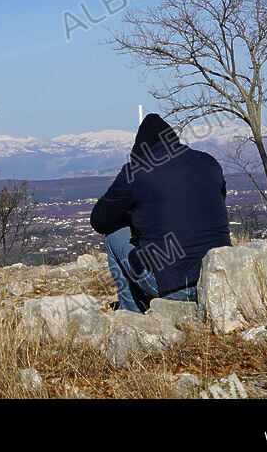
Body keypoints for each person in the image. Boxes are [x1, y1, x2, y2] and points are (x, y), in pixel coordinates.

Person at [91, 113, 230, 312]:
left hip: (174, 287)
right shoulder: (208, 162)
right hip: (219, 279)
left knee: (114, 237)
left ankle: (132, 315)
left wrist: (132, 217)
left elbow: (99, 221)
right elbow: (218, 198)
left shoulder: (135, 172)